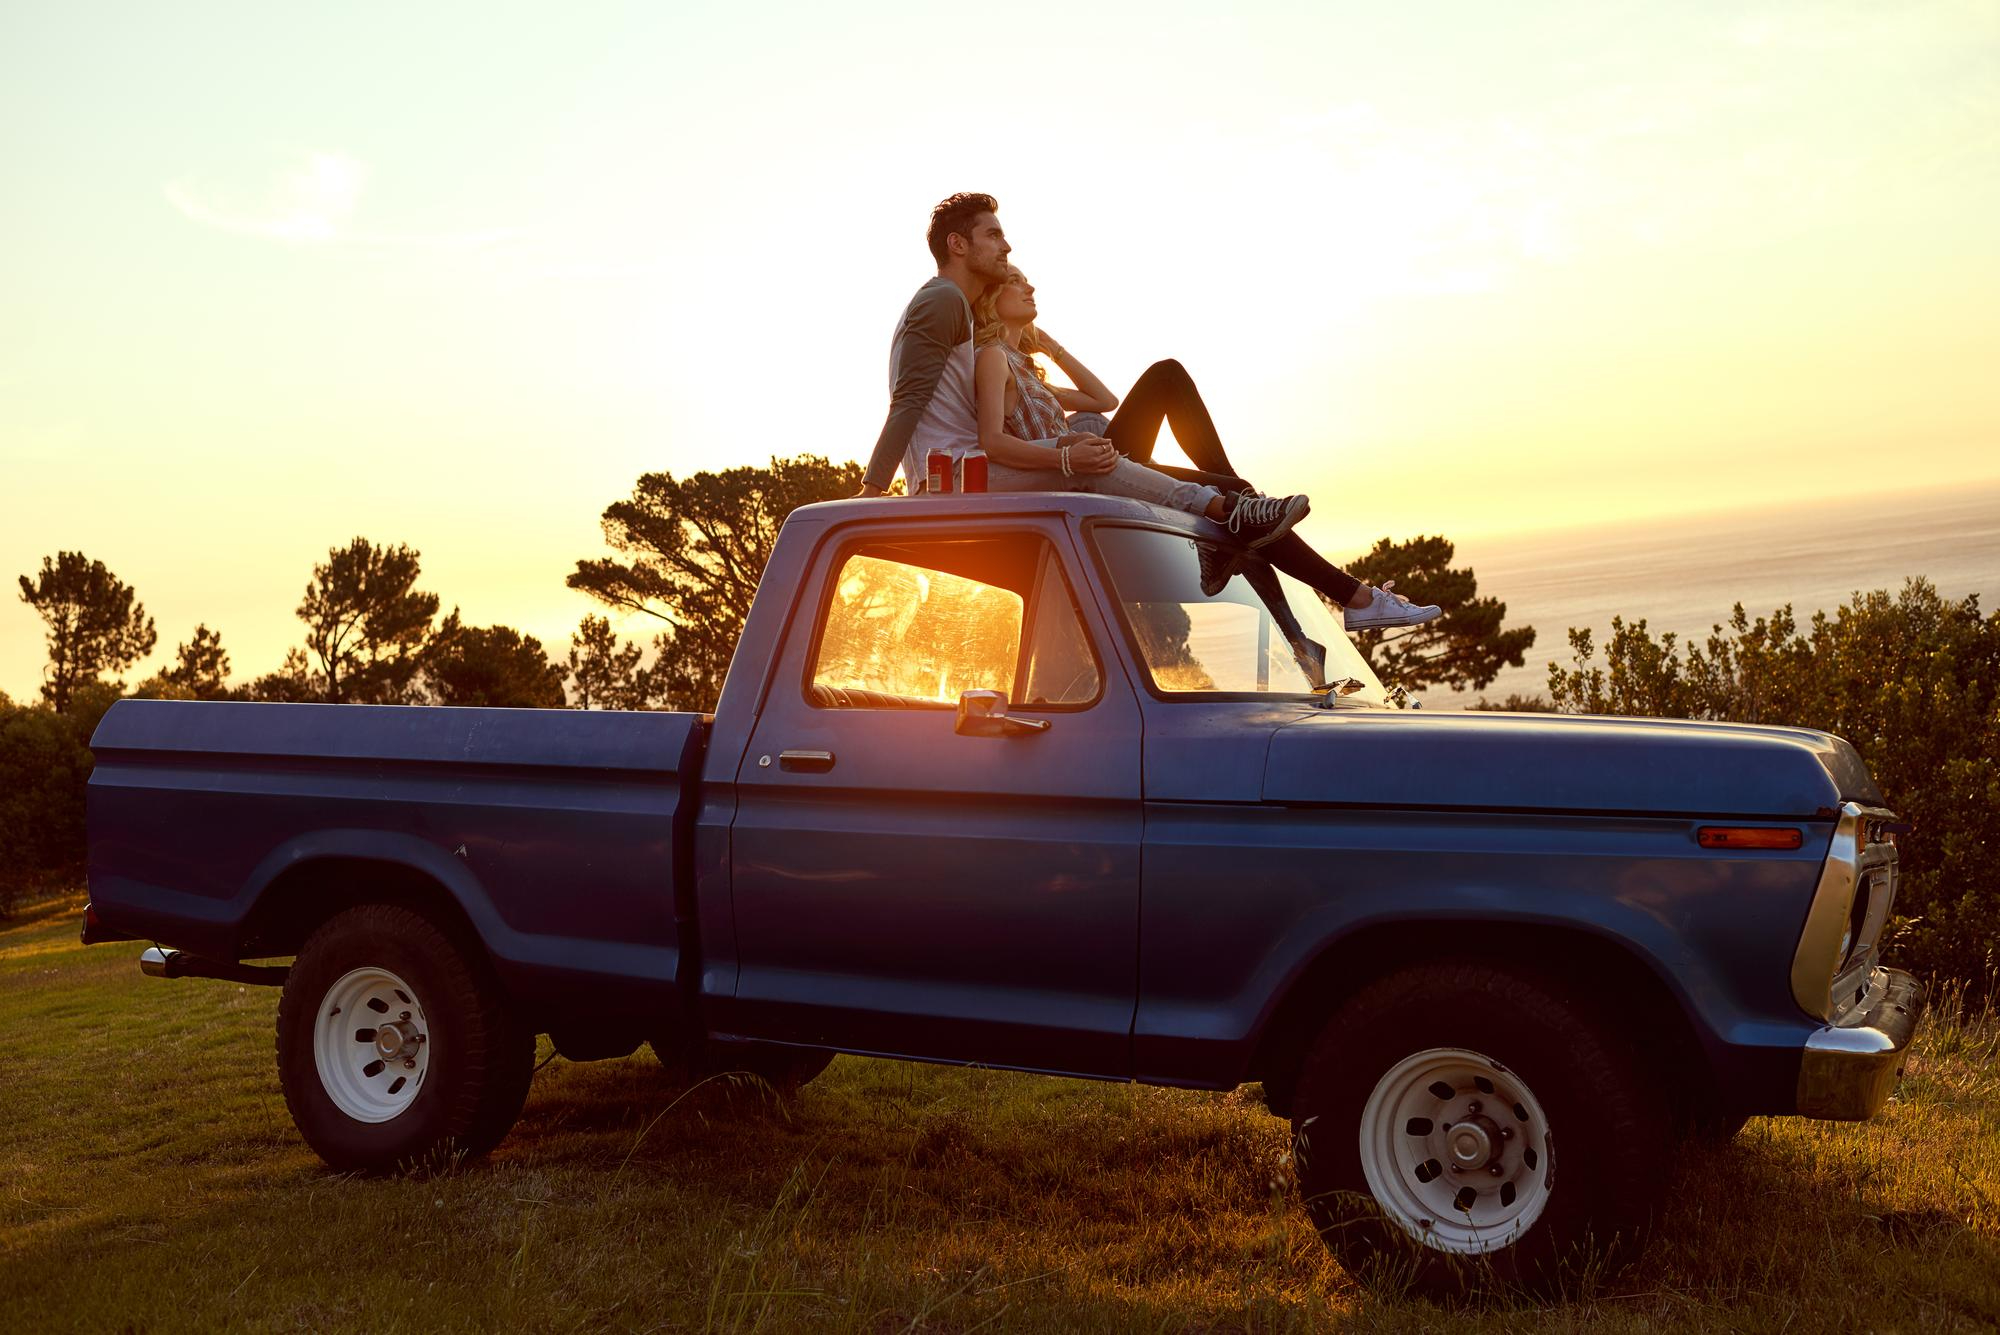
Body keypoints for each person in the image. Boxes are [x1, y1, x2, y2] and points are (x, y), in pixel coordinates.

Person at [972, 264, 1440, 629]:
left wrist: (1049, 345)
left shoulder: (1027, 369)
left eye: (1029, 281)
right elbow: (994, 441)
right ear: (993, 299)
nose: (1030, 288)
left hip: (1100, 460)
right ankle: (1351, 599)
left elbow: (1102, 400)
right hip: (1080, 471)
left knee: (1233, 489)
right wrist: (1067, 457)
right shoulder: (992, 359)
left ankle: (1330, 604)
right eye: (1016, 282)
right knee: (1170, 382)